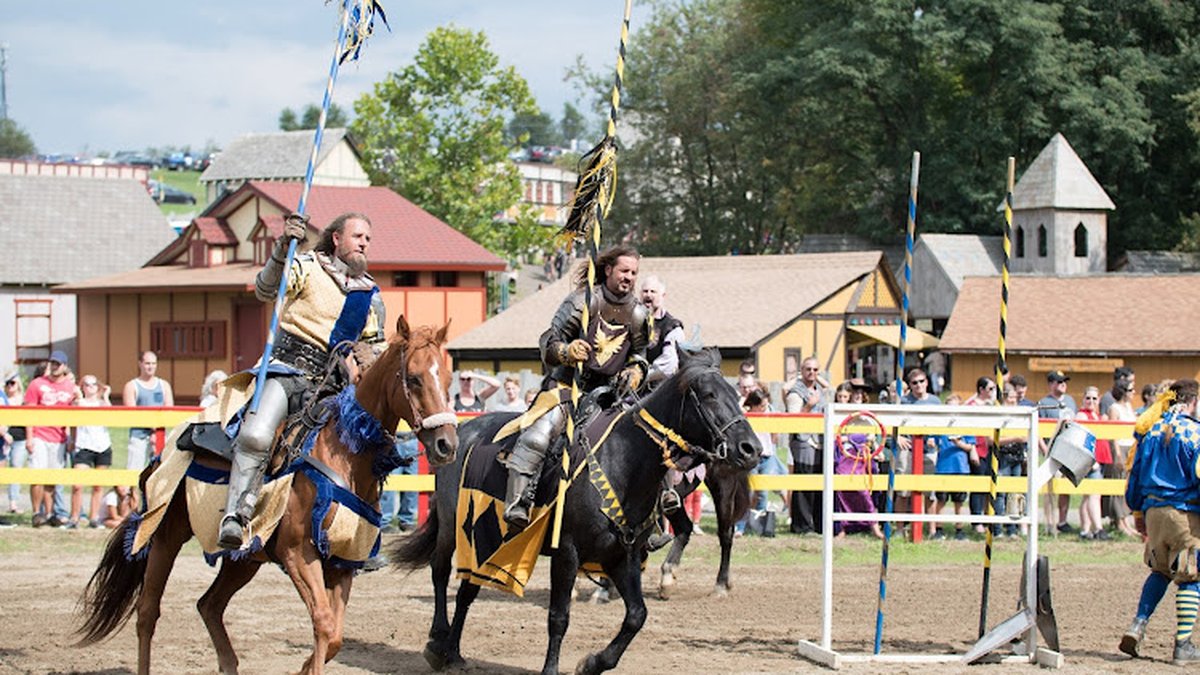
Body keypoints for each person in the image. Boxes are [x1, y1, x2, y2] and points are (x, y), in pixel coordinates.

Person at [219, 211, 387, 550]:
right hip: (287, 372)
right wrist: (283, 247)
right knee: (255, 433)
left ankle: (361, 534)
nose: (364, 243)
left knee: (371, 445)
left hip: (333, 387)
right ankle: (236, 514)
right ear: (337, 238)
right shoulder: (307, 265)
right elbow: (267, 289)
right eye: (358, 236)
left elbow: (374, 344)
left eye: (368, 239)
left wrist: (371, 359)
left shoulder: (369, 292)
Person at [501, 245, 650, 529]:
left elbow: (641, 355)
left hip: (610, 395)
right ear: (608, 270)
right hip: (567, 387)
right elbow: (548, 341)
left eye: (634, 272)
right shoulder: (582, 302)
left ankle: (649, 518)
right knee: (539, 435)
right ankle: (519, 502)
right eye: (624, 271)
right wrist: (566, 351)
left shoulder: (639, 314)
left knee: (648, 437)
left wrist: (635, 370)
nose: (629, 277)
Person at [1119, 379, 1200, 663]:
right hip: (1183, 514)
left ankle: (1137, 626)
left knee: (1161, 571)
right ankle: (1183, 645)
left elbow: (1135, 473)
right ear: (1192, 401)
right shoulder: (1195, 433)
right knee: (1191, 575)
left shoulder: (1151, 431)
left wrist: (1138, 513)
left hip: (1153, 514)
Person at [25, 351, 78, 528]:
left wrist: (72, 438)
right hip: (40, 434)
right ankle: (36, 512)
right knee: (37, 474)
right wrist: (30, 437)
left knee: (53, 476)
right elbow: (29, 412)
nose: (55, 366)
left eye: (58, 364)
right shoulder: (37, 384)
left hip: (59, 437)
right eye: (52, 363)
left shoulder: (70, 387)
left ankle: (49, 513)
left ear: (65, 366)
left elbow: (75, 415)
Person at [785, 356, 829, 534]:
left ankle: (818, 524)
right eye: (808, 369)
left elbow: (828, 388)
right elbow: (794, 421)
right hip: (804, 442)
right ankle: (802, 525)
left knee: (819, 484)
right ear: (801, 371)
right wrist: (808, 407)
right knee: (804, 484)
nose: (812, 373)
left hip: (819, 441)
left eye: (815, 370)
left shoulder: (819, 390)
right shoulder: (796, 394)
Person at [931, 393, 976, 540]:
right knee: (941, 500)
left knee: (959, 501)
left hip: (961, 467)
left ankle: (959, 529)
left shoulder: (966, 425)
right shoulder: (940, 425)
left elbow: (970, 446)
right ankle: (939, 528)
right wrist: (931, 441)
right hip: (943, 467)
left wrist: (958, 443)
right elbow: (932, 438)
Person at [1038, 370, 1078, 534]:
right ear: (1050, 384)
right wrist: (1045, 449)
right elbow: (1039, 429)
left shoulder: (1070, 401)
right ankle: (1049, 522)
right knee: (1049, 489)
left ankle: (1062, 520)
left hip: (1068, 450)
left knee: (1065, 488)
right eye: (1058, 381)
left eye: (1064, 381)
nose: (1062, 384)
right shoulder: (1044, 403)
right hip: (1051, 451)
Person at [70, 375, 113, 528]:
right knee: (77, 485)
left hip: (102, 446)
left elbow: (110, 414)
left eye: (93, 384)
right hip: (84, 446)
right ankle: (74, 518)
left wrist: (106, 395)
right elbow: (76, 410)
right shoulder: (78, 402)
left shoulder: (103, 403)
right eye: (86, 384)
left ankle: (93, 518)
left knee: (98, 485)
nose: (90, 387)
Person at [122, 350, 174, 471]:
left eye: (153, 363)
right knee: (135, 472)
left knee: (162, 471)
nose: (150, 367)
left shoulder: (164, 385)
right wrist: (151, 428)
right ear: (140, 364)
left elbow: (169, 410)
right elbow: (132, 413)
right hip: (139, 436)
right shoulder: (132, 386)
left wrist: (156, 432)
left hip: (160, 435)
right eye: (147, 363)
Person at [1076, 386, 1112, 540]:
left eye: (1094, 398)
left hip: (1100, 459)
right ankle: (1098, 529)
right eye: (1088, 398)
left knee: (1087, 496)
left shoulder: (1096, 416)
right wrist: (1091, 461)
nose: (1090, 401)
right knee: (1094, 495)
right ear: (1083, 399)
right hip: (1091, 460)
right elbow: (1080, 440)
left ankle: (1085, 530)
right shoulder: (1082, 416)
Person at [1106, 378, 1139, 538]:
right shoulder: (1114, 408)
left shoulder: (1129, 407)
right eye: (1131, 390)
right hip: (1120, 449)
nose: (1134, 393)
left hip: (1130, 448)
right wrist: (1118, 454)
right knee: (1117, 485)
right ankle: (1119, 521)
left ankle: (1126, 520)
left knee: (1127, 485)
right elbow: (1113, 434)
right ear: (1124, 392)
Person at [965, 377, 997, 533]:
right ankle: (976, 521)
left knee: (988, 486)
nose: (992, 392)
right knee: (977, 487)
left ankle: (986, 517)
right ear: (981, 390)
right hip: (978, 449)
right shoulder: (972, 405)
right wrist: (972, 449)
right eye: (990, 389)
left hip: (990, 448)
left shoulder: (992, 405)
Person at [640, 274, 684, 389]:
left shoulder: (673, 327)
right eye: (645, 291)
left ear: (663, 296)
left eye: (653, 291)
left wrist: (640, 375)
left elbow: (669, 365)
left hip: (657, 393)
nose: (648, 295)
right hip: (628, 390)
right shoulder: (632, 321)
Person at [2, 373, 26, 514]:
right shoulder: (3, 399)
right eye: (8, 383)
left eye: (13, 383)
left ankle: (13, 502)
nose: (10, 386)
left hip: (20, 438)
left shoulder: (23, 400)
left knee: (16, 469)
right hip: (4, 438)